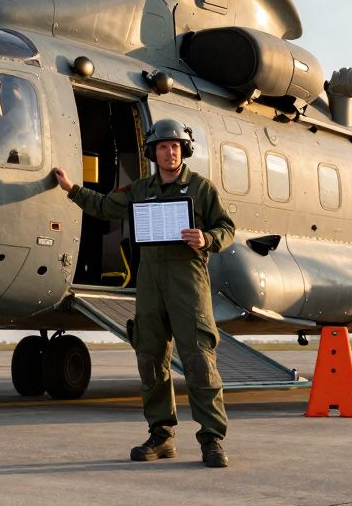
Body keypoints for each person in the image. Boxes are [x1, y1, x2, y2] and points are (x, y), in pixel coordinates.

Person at [52, 117, 235, 468]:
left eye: (175, 146)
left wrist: (207, 238)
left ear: (184, 150)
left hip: (188, 282)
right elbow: (104, 206)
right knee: (150, 360)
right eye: (163, 147)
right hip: (150, 283)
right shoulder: (140, 190)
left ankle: (212, 439)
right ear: (153, 152)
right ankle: (161, 435)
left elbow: (226, 227)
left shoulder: (201, 188)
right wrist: (71, 189)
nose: (170, 153)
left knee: (198, 360)